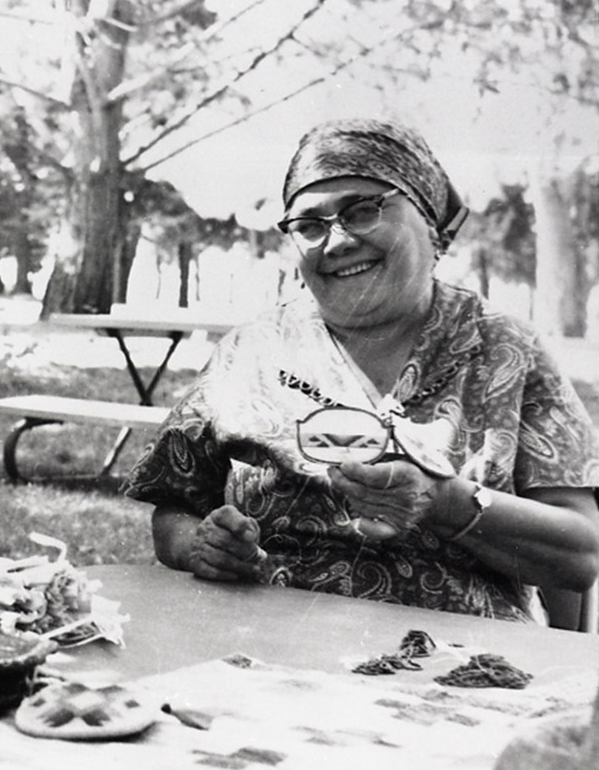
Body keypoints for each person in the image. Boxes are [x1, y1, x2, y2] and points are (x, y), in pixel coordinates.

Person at [126, 118, 599, 624]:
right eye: (309, 225)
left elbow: (581, 556)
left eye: (363, 211)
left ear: (428, 219)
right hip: (265, 651)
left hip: (457, 667)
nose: (337, 241)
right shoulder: (251, 350)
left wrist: (444, 503)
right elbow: (172, 509)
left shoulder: (504, 348)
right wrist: (200, 547)